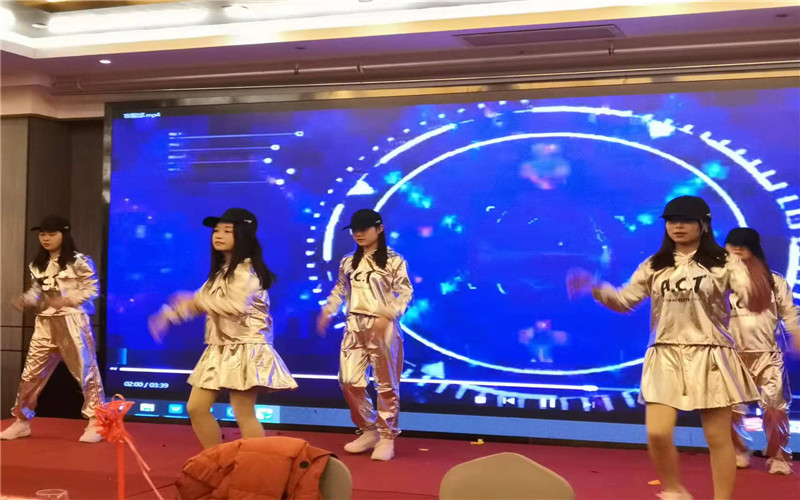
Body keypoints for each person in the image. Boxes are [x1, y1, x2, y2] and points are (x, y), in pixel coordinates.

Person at [566, 196, 772, 500]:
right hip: (664, 353)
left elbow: (754, 299)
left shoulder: (725, 263)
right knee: (657, 432)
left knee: (718, 437)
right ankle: (675, 490)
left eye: (686, 220)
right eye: (672, 220)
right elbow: (624, 301)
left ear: (703, 224)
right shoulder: (655, 264)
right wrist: (595, 286)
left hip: (711, 353)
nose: (678, 226)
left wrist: (755, 280)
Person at [148, 208, 297, 448]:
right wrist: (167, 315)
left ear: (243, 235)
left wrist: (192, 299)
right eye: (216, 231)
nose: (218, 235)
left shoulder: (247, 273)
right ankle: (216, 457)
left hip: (246, 348)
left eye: (227, 231)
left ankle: (258, 463)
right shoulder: (221, 273)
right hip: (219, 347)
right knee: (196, 407)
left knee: (243, 412)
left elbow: (233, 306)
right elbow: (199, 303)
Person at [317, 209, 413, 461]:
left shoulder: (394, 261)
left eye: (363, 229)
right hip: (354, 326)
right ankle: (369, 429)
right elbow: (340, 288)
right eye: (354, 230)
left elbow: (405, 293)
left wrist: (388, 314)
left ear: (379, 229)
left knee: (386, 384)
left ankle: (387, 436)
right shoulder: (348, 261)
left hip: (383, 327)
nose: (358, 234)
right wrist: (328, 309)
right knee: (348, 380)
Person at [1, 215, 105, 443]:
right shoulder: (37, 263)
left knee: (86, 371)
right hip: (45, 323)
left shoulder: (80, 261)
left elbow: (93, 289)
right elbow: (37, 291)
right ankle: (21, 420)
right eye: (42, 234)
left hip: (73, 320)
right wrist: (25, 300)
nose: (46, 239)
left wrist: (67, 300)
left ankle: (97, 421)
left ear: (63, 235)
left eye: (51, 234)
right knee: (31, 374)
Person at [725, 227, 799, 475]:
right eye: (733, 244)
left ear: (754, 248)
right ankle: (738, 450)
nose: (738, 249)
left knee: (776, 408)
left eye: (743, 244)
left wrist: (796, 334)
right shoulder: (719, 282)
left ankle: (779, 455)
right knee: (728, 409)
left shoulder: (773, 281)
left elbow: (789, 312)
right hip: (730, 354)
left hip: (768, 354)